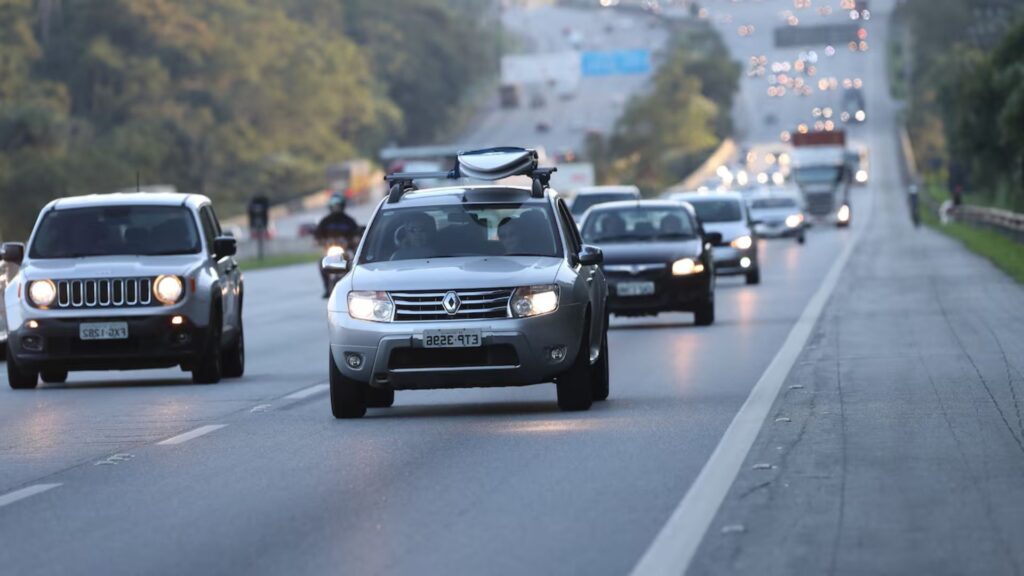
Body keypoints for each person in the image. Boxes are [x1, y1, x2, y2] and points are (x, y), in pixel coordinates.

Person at [315, 193, 358, 297]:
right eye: (334, 205)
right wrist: (320, 241)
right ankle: (326, 287)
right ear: (330, 206)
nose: (336, 207)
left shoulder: (349, 221)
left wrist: (354, 240)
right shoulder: (325, 222)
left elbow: (357, 234)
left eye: (338, 205)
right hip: (330, 251)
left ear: (342, 205)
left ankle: (354, 286)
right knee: (321, 263)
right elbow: (317, 236)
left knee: (354, 264)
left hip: (346, 252)